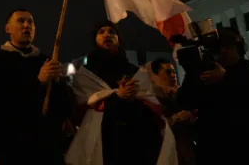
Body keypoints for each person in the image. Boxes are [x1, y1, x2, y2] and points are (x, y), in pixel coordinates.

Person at [66, 20, 177, 165]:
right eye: (101, 32)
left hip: (137, 138)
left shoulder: (135, 71)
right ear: (95, 40)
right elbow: (83, 103)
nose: (107, 34)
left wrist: (133, 96)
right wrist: (117, 97)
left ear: (119, 39)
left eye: (112, 32)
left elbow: (149, 100)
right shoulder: (86, 73)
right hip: (105, 138)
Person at [0, 9, 76, 164]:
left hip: (47, 148)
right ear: (8, 29)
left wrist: (58, 82)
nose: (27, 25)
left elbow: (65, 105)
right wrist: (39, 81)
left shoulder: (46, 60)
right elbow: (1, 104)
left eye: (31, 22)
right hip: (13, 148)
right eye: (21, 21)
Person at [176, 28, 249, 165]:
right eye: (218, 47)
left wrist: (226, 78)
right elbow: (183, 101)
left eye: (227, 46)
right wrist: (193, 71)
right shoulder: (206, 76)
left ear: (239, 48)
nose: (223, 51)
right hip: (213, 155)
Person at [149, 59, 195, 165]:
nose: (173, 75)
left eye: (174, 72)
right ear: (156, 75)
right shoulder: (152, 98)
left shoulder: (179, 94)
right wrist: (175, 118)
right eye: (168, 72)